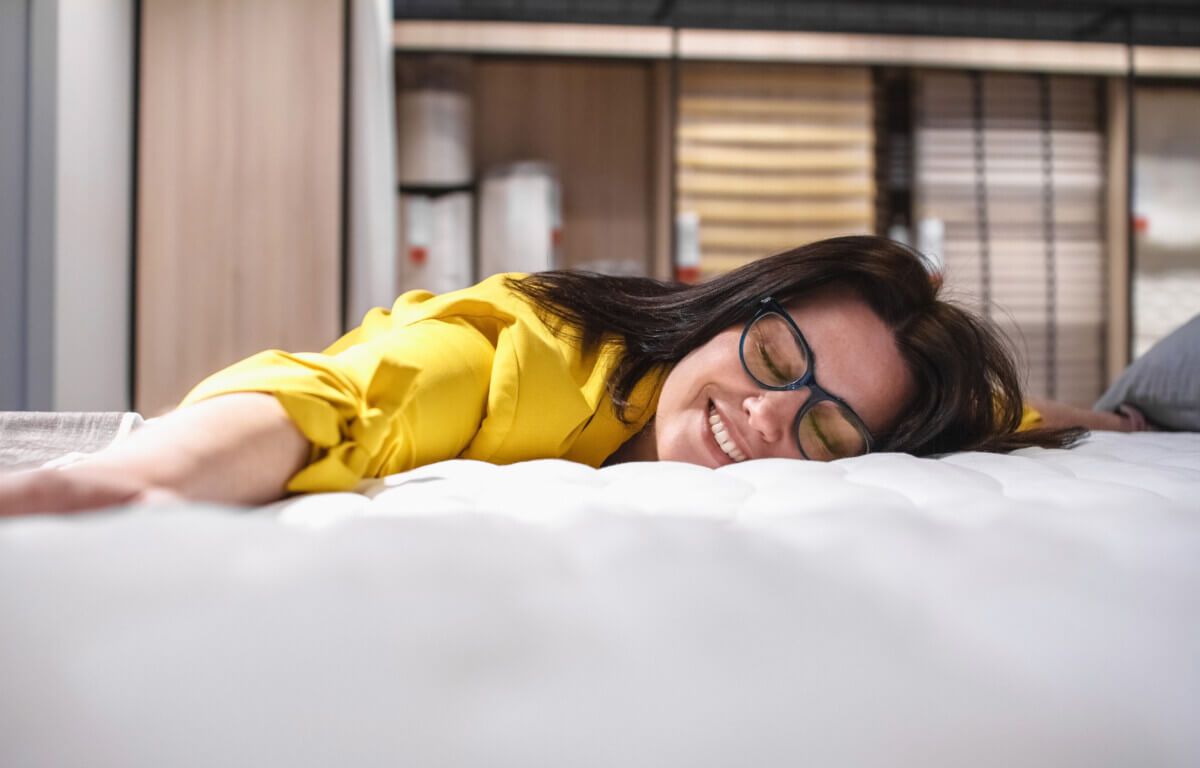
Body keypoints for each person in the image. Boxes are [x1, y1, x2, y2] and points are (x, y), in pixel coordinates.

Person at [0, 236, 1088, 517]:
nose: (767, 413)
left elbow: (995, 415)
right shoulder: (532, 347)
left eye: (830, 431)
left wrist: (1103, 413)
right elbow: (337, 396)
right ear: (728, 311)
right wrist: (135, 477)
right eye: (770, 359)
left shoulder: (872, 408)